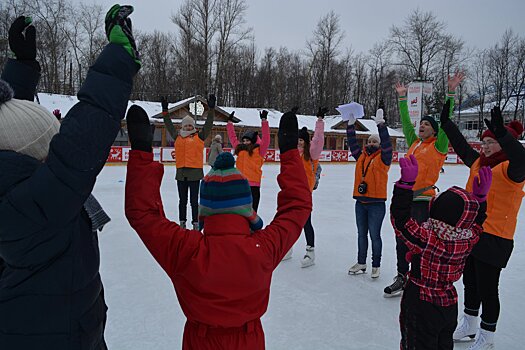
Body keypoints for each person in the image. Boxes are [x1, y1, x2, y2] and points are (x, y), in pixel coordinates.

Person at [0, 5, 140, 348]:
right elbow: (85, 134)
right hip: (61, 337)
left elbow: (13, 133)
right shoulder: (35, 208)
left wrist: (19, 70)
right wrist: (119, 56)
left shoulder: (17, 198)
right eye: (51, 148)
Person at [124, 106, 312, 350]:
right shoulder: (262, 248)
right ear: (247, 209)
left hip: (200, 341)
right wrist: (289, 155)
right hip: (249, 341)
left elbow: (142, 214)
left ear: (204, 211)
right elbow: (297, 208)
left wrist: (140, 152)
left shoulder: (187, 250)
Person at [440, 102, 525, 349]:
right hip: (472, 232)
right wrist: (446, 124)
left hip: (496, 237)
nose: (485, 147)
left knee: (489, 289)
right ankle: (469, 324)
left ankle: (487, 336)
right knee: (470, 283)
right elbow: (463, 147)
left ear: (503, 143)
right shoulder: (480, 163)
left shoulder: (512, 169)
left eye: (491, 142)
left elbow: (522, 158)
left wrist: (502, 134)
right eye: (484, 142)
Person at [391, 155, 491, 350]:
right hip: (448, 302)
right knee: (443, 344)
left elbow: (400, 220)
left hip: (421, 302)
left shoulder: (428, 240)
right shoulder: (468, 238)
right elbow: (478, 225)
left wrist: (404, 186)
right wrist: (480, 201)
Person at [384, 72, 463, 297]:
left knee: (417, 239)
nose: (422, 126)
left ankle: (417, 276)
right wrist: (402, 98)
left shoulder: (438, 145)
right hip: (404, 197)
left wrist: (451, 92)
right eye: (422, 123)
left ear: (435, 131)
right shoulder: (414, 142)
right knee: (401, 238)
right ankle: (402, 275)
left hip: (422, 200)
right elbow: (407, 121)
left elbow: (446, 120)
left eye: (427, 124)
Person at [347, 108, 392, 278]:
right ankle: (361, 262)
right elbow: (352, 144)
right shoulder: (361, 157)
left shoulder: (384, 158)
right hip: (360, 202)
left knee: (375, 235)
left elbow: (388, 143)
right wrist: (350, 126)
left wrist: (381, 125)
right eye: (369, 141)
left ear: (379, 145)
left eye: (375, 141)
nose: (371, 143)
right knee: (361, 234)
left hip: (376, 204)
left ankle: (376, 264)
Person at [163, 94, 216, 230]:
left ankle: (195, 223)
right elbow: (168, 125)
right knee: (182, 201)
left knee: (193, 201)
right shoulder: (177, 137)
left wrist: (211, 110)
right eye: (185, 126)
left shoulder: (200, 136)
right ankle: (182, 221)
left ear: (192, 126)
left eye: (189, 125)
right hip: (181, 173)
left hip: (195, 173)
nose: (187, 127)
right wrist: (165, 111)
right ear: (182, 126)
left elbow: (209, 124)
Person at [294, 107, 326, 267]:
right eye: (298, 139)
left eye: (302, 140)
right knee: (290, 220)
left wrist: (319, 121)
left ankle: (310, 252)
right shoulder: (293, 154)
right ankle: (287, 248)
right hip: (292, 192)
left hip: (305, 193)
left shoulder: (311, 154)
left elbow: (318, 140)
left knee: (306, 222)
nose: (299, 142)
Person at [226, 109, 270, 211]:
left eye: (248, 140)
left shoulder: (259, 150)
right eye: (244, 140)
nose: (245, 142)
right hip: (240, 184)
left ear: (253, 141)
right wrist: (229, 123)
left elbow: (266, 138)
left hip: (253, 185)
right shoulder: (240, 149)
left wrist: (264, 121)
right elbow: (232, 137)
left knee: (252, 212)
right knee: (240, 211)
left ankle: (252, 227)